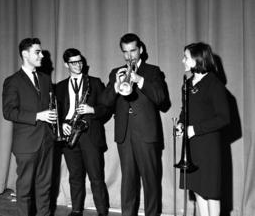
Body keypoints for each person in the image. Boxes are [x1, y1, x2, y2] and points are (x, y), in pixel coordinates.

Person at [100, 33, 171, 216]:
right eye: (126, 52)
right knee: (128, 181)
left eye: (133, 50)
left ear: (141, 50)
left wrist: (140, 80)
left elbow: (162, 100)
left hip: (146, 133)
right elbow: (105, 103)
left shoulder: (153, 72)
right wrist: (115, 86)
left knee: (151, 181)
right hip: (125, 134)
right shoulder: (116, 72)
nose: (130, 56)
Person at [2, 38, 57, 216]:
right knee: (25, 190)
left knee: (45, 188)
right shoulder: (13, 81)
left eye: (41, 52)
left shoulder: (45, 79)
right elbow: (9, 112)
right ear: (25, 54)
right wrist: (37, 116)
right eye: (37, 52)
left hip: (47, 141)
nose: (41, 55)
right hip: (26, 144)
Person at [176, 42, 230, 216]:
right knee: (198, 188)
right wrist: (181, 124)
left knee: (211, 192)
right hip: (193, 146)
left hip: (208, 147)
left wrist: (194, 130)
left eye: (186, 57)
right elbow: (185, 111)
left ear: (197, 60)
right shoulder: (188, 83)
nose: (182, 60)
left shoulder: (214, 84)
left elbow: (224, 118)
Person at [56, 48, 110, 216]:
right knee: (75, 177)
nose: (78, 65)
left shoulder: (95, 83)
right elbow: (56, 112)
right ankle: (76, 210)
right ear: (66, 64)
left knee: (96, 177)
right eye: (73, 62)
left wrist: (92, 109)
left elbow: (106, 108)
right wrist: (62, 124)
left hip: (89, 135)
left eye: (80, 61)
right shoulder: (59, 86)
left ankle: (102, 212)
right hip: (69, 134)